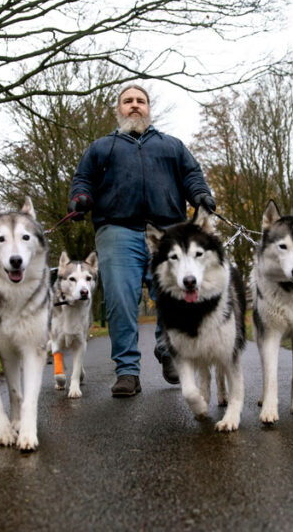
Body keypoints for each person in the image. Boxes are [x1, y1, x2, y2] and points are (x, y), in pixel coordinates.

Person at [68, 85, 216, 397]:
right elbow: (83, 179)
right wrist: (80, 198)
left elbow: (192, 175)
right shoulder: (101, 147)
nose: (135, 105)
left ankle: (167, 348)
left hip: (168, 230)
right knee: (120, 300)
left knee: (174, 293)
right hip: (117, 229)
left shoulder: (171, 146)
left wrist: (201, 195)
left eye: (141, 101)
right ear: (118, 109)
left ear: (148, 108)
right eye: (128, 101)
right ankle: (127, 371)